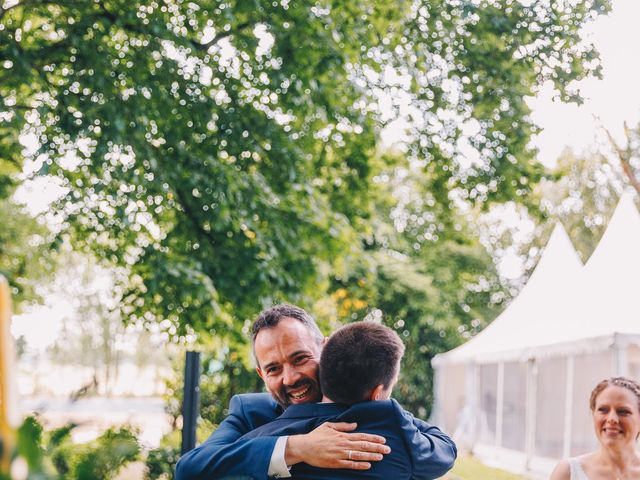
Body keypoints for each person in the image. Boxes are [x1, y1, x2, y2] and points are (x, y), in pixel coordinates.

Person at [175, 304, 455, 479]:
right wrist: (297, 448)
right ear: (261, 374)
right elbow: (190, 468)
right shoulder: (248, 412)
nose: (290, 378)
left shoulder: (373, 407)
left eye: (299, 359)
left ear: (325, 347)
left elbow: (441, 448)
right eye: (274, 369)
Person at [241, 320, 457, 479]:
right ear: (377, 393)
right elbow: (446, 449)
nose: (290, 377)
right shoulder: (395, 439)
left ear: (322, 366)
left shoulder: (263, 440)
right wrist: (389, 410)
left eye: (299, 359)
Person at [549, 376, 640, 480]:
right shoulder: (568, 472)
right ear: (594, 415)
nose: (612, 419)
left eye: (623, 411)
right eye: (603, 410)